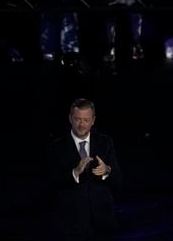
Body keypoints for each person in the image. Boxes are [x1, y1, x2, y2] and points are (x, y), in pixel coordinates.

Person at [49, 98, 122, 241]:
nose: (81, 125)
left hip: (103, 224)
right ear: (70, 118)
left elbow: (119, 181)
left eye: (86, 120)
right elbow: (50, 184)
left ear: (93, 120)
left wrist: (107, 171)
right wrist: (74, 172)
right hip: (71, 226)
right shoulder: (56, 147)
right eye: (77, 119)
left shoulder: (105, 142)